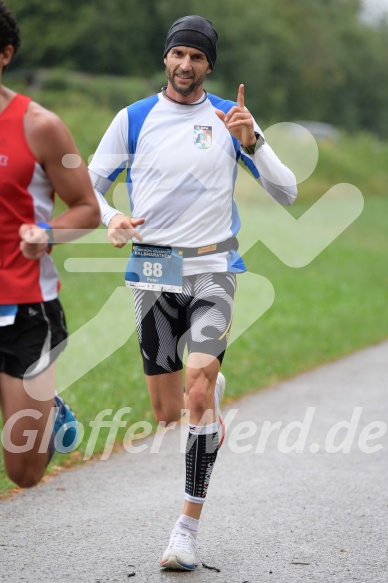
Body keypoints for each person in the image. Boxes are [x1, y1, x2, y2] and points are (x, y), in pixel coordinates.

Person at [89, 15, 297, 570]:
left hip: (213, 267)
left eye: (197, 58)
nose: (186, 65)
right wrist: (110, 218)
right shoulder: (133, 119)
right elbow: (90, 186)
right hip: (153, 270)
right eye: (178, 54)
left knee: (197, 394)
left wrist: (254, 141)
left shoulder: (231, 120)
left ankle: (185, 530)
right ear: (166, 58)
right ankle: (207, 392)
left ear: (210, 65)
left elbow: (288, 192)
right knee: (164, 412)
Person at [0, 1, 100, 489]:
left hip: (27, 309)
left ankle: (50, 412)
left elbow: (86, 207)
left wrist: (49, 234)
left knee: (23, 472)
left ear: (5, 54)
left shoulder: (40, 125)